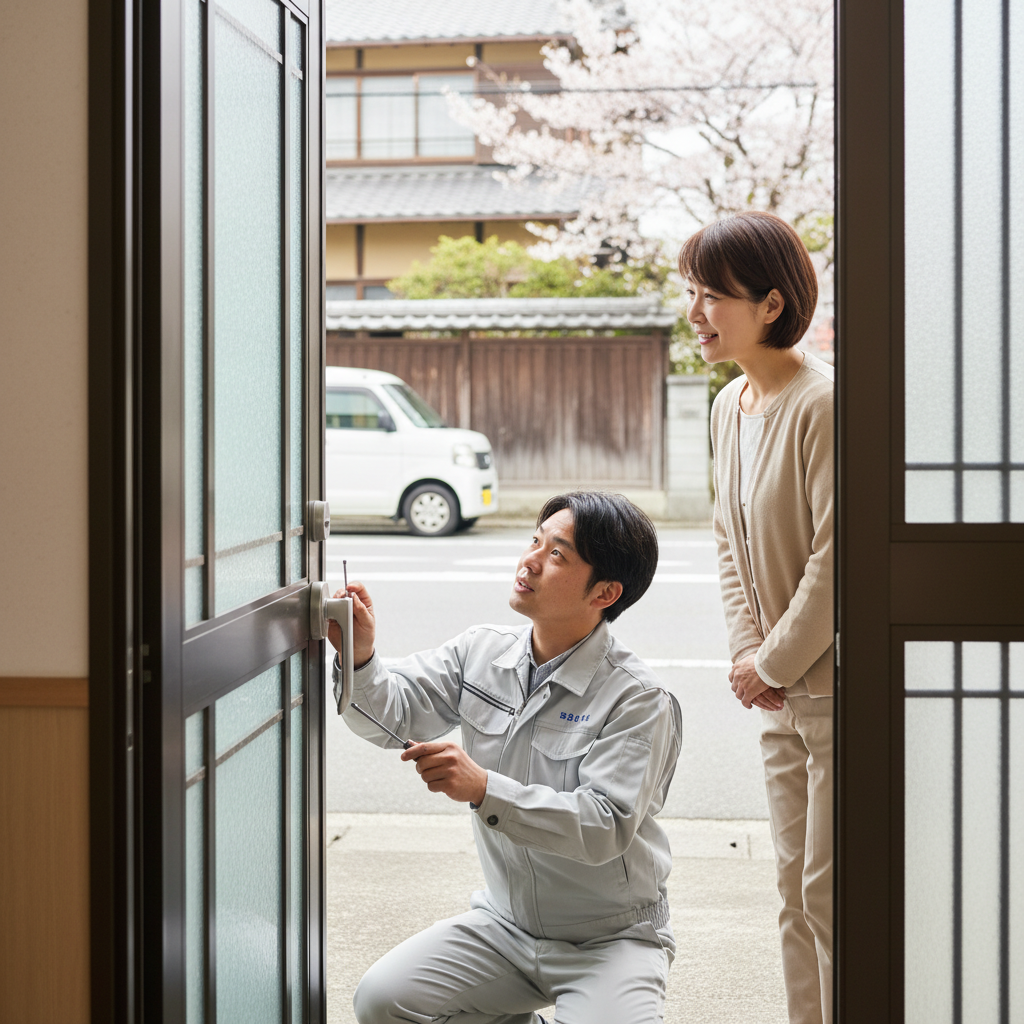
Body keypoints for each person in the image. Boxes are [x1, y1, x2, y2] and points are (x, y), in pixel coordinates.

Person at [328, 491, 682, 1024]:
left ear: (606, 592)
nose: (530, 561)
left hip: (610, 939)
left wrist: (484, 788)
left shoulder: (638, 699)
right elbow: (394, 714)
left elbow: (603, 826)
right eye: (535, 541)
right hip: (506, 925)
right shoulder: (481, 652)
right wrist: (361, 656)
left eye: (558, 554)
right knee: (383, 1001)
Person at [679, 211, 834, 1024]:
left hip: (835, 692)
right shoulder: (728, 405)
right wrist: (750, 655)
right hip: (777, 693)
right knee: (789, 888)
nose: (696, 312)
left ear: (770, 304)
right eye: (693, 293)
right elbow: (728, 542)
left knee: (831, 891)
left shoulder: (824, 403)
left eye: (711, 296)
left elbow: (835, 565)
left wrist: (768, 663)